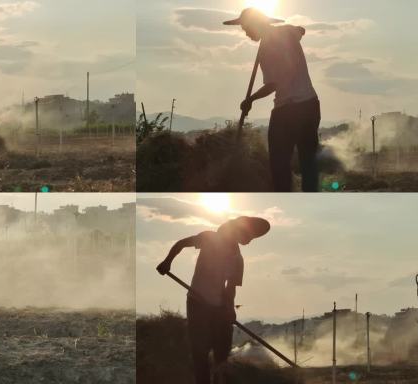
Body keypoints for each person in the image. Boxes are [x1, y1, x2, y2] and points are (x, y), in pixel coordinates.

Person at [156, 216, 271, 384]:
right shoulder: (210, 238)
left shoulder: (238, 259)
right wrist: (167, 262)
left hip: (219, 308)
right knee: (199, 352)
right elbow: (181, 243)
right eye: (251, 236)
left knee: (222, 354)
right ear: (241, 230)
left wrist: (229, 310)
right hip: (197, 303)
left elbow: (229, 288)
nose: (250, 241)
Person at [224, 8, 321, 192]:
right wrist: (294, 31)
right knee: (308, 163)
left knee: (279, 165)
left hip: (287, 110)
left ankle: (284, 194)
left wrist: (250, 100)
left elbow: (273, 84)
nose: (245, 33)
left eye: (246, 28)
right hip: (310, 105)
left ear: (255, 25)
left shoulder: (266, 51)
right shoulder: (286, 32)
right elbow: (301, 30)